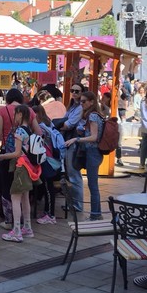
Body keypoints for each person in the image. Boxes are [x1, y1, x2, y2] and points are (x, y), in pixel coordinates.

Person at [0, 104, 36, 242]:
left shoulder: (19, 131)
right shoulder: (29, 130)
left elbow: (17, 153)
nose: (13, 117)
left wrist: (1, 156)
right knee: (25, 198)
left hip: (20, 167)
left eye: (15, 114)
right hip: (29, 168)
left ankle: (17, 231)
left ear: (20, 114)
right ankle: (27, 227)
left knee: (15, 198)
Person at [65, 92, 106, 220]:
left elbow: (94, 137)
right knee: (92, 184)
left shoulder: (93, 116)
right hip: (94, 152)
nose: (81, 104)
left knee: (93, 185)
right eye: (81, 101)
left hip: (93, 152)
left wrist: (77, 139)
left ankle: (95, 214)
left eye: (84, 101)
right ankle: (96, 213)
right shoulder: (95, 115)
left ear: (92, 102)